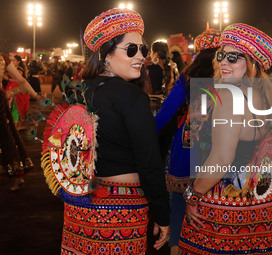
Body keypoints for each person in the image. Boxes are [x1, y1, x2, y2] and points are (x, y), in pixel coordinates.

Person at [59, 8, 170, 255]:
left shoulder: (78, 92)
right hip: (121, 207)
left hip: (80, 205)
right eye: (131, 49)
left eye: (143, 49)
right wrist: (163, 213)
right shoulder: (131, 97)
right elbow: (149, 161)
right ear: (106, 54)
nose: (141, 56)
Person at [178, 23, 272, 254]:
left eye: (233, 57)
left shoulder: (229, 97)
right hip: (257, 201)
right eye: (222, 54)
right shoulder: (263, 95)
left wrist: (193, 195)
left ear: (251, 64)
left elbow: (221, 158)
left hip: (224, 201)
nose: (223, 61)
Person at [155, 28, 221, 255]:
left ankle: (175, 248)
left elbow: (166, 112)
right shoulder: (230, 77)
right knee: (213, 195)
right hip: (219, 143)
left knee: (178, 197)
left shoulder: (188, 77)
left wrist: (146, 135)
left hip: (188, 142)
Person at [0, 53, 39, 191]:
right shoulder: (3, 58)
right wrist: (35, 94)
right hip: (1, 101)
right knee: (8, 137)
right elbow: (21, 80)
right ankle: (18, 177)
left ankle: (17, 175)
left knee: (8, 137)